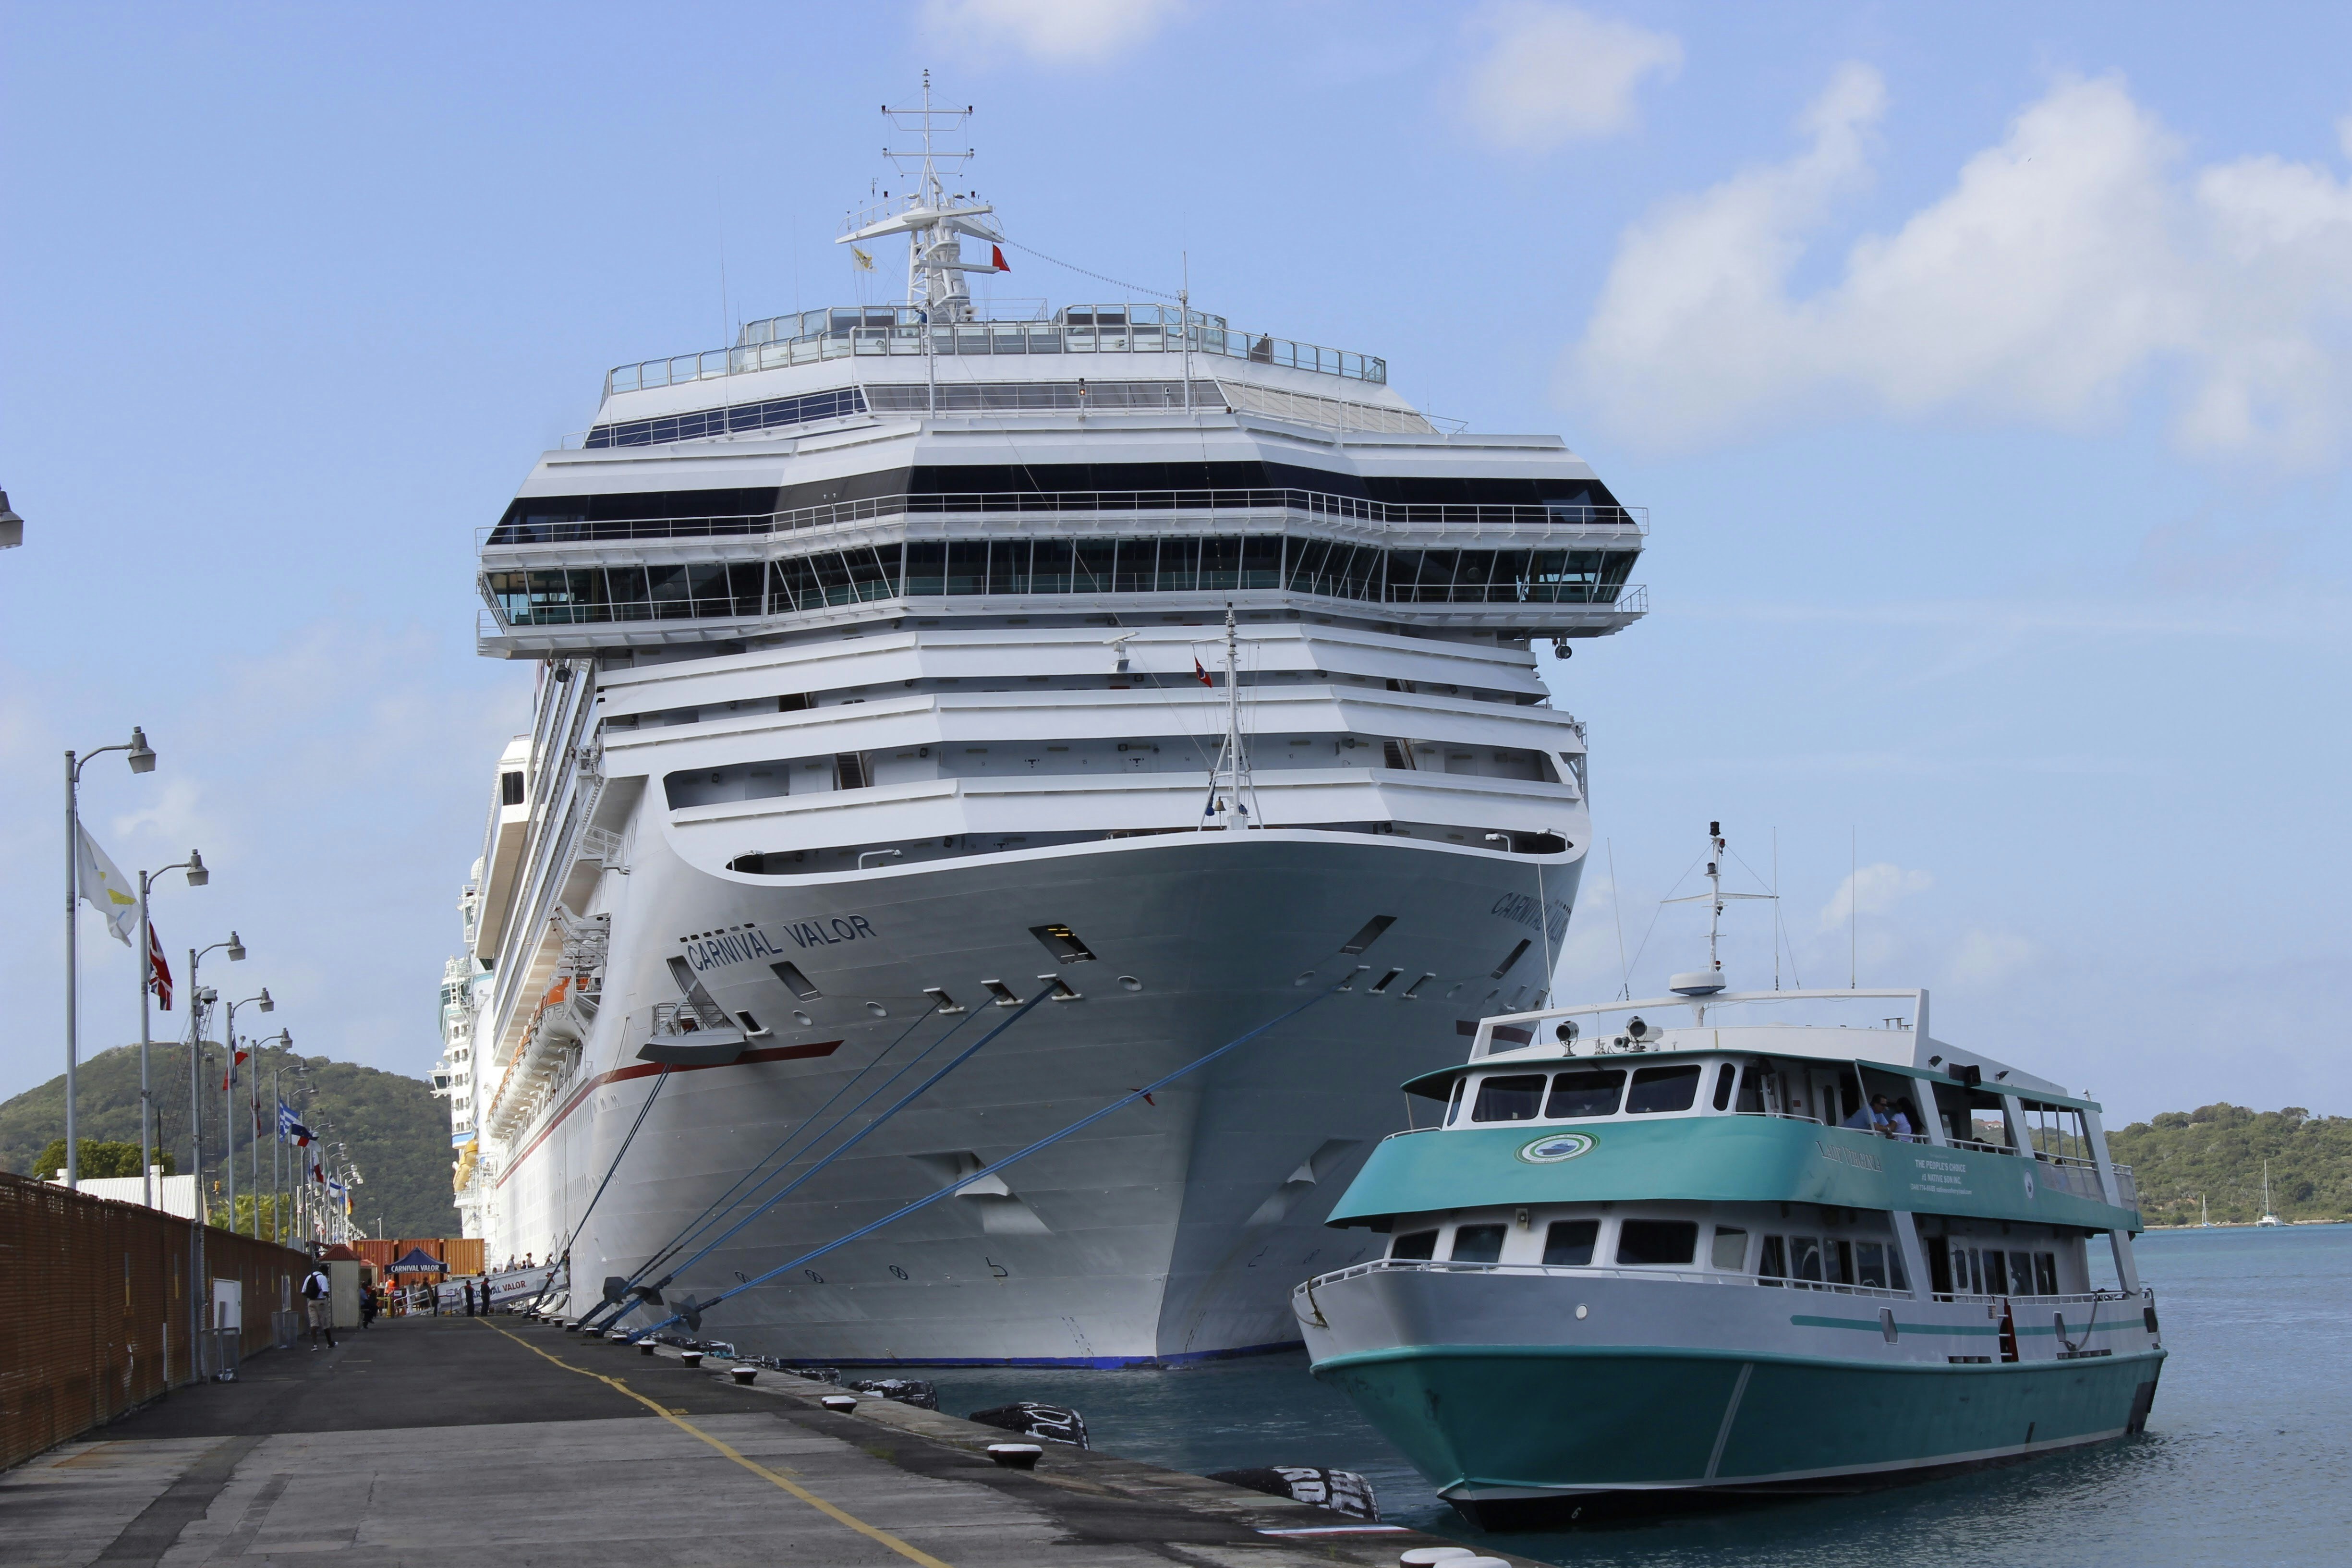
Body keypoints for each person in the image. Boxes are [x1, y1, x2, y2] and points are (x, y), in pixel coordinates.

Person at [300, 1263, 336, 1349]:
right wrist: (327, 1296)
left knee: (314, 1324)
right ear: (325, 1272)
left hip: (311, 1302)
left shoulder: (309, 1277)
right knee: (325, 1323)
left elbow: (303, 1292)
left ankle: (315, 1345)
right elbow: (325, 1292)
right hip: (321, 1302)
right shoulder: (322, 1278)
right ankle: (330, 1343)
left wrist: (311, 1296)